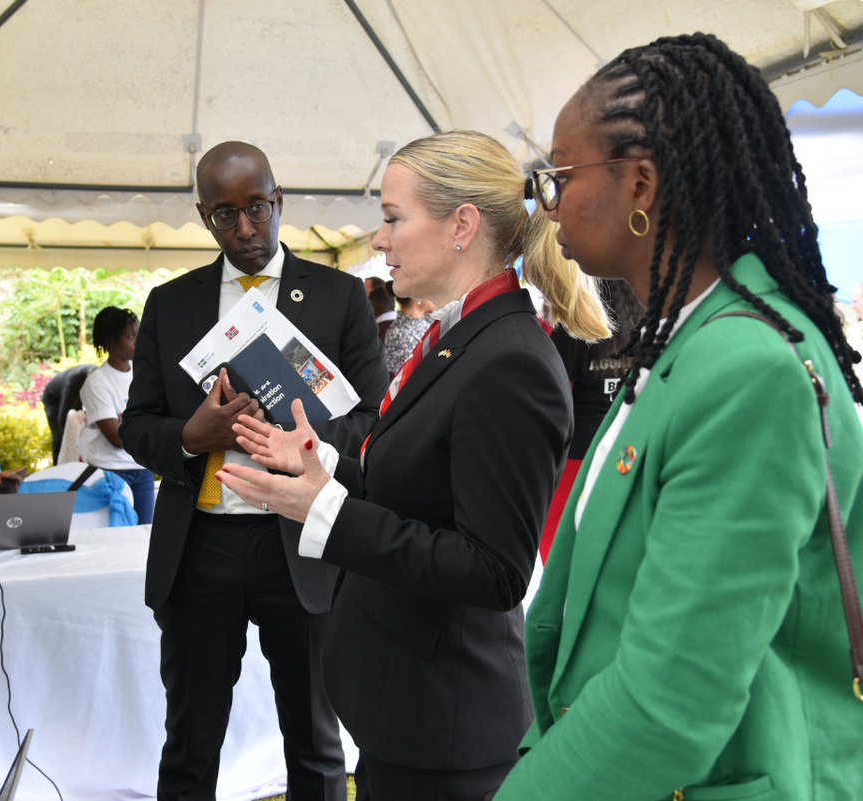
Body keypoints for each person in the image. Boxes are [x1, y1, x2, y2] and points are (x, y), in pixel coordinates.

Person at [491, 34, 863, 800]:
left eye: (558, 177)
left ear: (641, 184)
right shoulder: (686, 340)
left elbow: (668, 705)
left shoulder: (746, 370)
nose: (547, 204)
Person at [219, 130, 609, 801]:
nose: (379, 239)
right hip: (408, 712)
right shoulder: (460, 338)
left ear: (462, 225)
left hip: (446, 731)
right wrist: (325, 461)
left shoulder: (509, 358)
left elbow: (494, 570)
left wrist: (323, 509)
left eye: (394, 218)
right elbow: (415, 480)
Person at [120, 140, 388, 801]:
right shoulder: (171, 304)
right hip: (200, 545)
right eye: (224, 213)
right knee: (190, 740)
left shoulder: (338, 296)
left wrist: (299, 442)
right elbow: (136, 424)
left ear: (280, 201)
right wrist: (191, 435)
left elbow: (374, 420)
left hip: (299, 541)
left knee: (318, 743)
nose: (244, 228)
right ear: (203, 216)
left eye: (257, 208)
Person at [540, 278, 642, 560]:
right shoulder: (648, 326)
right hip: (628, 455)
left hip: (577, 459)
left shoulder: (575, 328)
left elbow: (557, 398)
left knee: (564, 557)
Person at [79, 306, 154, 523]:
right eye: (131, 337)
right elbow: (117, 438)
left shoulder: (144, 374)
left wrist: (133, 424)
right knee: (118, 536)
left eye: (138, 334)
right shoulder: (97, 382)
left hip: (142, 470)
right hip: (111, 472)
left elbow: (158, 419)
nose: (138, 341)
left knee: (143, 536)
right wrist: (147, 425)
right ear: (111, 341)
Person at [42, 362, 95, 464]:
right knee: (59, 435)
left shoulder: (99, 377)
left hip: (75, 389)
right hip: (53, 396)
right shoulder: (73, 381)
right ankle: (59, 467)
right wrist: (69, 442)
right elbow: (63, 418)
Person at [380, 292, 435, 376]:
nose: (435, 297)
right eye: (430, 293)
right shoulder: (398, 332)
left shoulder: (428, 321)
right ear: (417, 298)